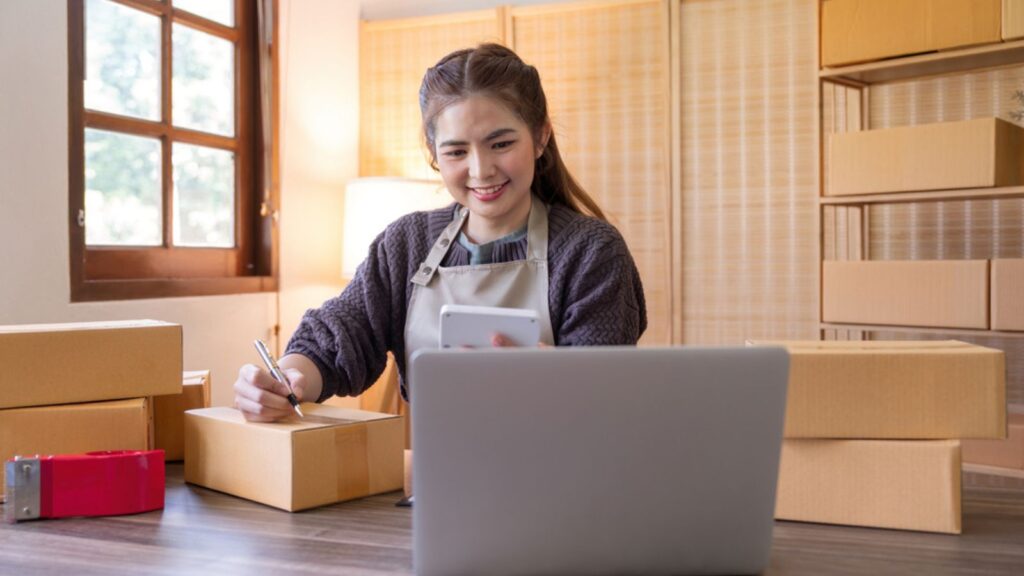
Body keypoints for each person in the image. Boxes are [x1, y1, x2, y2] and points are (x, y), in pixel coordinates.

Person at [234, 43, 647, 422]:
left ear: (540, 136)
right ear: (434, 155)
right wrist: (286, 380)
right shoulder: (407, 244)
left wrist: (549, 377)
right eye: (456, 151)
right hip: (433, 480)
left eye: (500, 144)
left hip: (565, 484)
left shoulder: (591, 252)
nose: (481, 170)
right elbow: (338, 338)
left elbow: (605, 400)